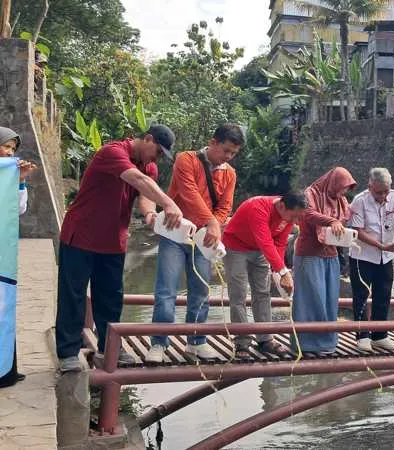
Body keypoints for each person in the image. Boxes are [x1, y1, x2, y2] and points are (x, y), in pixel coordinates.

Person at [56, 125, 183, 372]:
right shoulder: (112, 152)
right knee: (74, 295)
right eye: (156, 152)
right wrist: (168, 202)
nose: (155, 159)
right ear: (147, 139)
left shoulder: (150, 167)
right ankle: (68, 352)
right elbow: (137, 179)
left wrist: (149, 213)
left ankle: (110, 346)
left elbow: (143, 193)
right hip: (80, 236)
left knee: (111, 298)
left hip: (114, 240)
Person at [146, 124, 242, 363]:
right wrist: (212, 222)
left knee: (200, 290)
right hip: (174, 233)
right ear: (213, 142)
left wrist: (214, 226)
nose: (228, 157)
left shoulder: (229, 173)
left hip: (203, 238)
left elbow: (225, 206)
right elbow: (189, 194)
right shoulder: (185, 159)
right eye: (225, 150)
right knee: (166, 289)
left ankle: (196, 341)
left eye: (233, 153)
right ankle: (159, 342)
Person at [221, 191, 307, 359]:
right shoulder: (258, 207)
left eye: (299, 218)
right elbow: (265, 240)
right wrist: (283, 271)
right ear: (282, 206)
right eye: (294, 217)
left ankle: (265, 338)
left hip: (259, 251)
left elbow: (280, 243)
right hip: (235, 247)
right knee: (238, 294)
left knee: (262, 292)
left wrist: (279, 271)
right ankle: (242, 341)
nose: (296, 222)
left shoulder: (287, 217)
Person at [349, 168, 394, 351]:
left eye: (385, 191)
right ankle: (362, 335)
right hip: (362, 255)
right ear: (370, 186)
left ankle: (379, 334)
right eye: (378, 192)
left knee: (384, 294)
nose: (382, 195)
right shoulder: (359, 201)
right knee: (362, 295)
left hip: (387, 255)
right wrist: (379, 245)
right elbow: (359, 231)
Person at [292, 167, 357, 355]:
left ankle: (327, 342)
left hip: (331, 254)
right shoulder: (311, 193)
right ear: (333, 182)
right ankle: (305, 343)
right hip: (309, 253)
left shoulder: (341, 200)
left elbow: (346, 216)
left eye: (347, 189)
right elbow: (307, 213)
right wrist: (331, 221)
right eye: (343, 187)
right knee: (310, 298)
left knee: (329, 299)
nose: (344, 192)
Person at [0, 127, 37, 388]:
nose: (9, 153)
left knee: (4, 310)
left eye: (13, 149)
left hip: (4, 256)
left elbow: (19, 209)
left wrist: (20, 179)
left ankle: (6, 371)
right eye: (6, 147)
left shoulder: (7, 176)